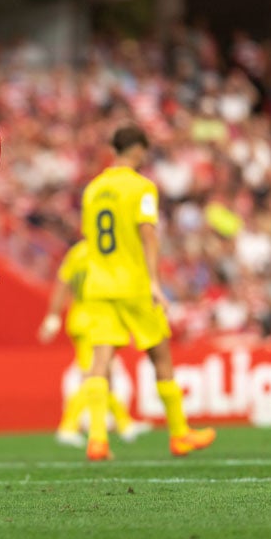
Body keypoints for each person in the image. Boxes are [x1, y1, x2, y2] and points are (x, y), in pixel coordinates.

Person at [80, 125, 216, 461]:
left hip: (99, 284)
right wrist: (155, 281)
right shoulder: (142, 187)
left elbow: (88, 237)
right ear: (139, 150)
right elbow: (148, 234)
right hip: (134, 284)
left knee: (101, 360)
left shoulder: (93, 190)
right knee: (161, 356)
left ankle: (97, 439)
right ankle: (179, 433)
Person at [37, 240, 151, 448]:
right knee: (93, 375)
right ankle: (68, 427)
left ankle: (124, 423)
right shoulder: (106, 251)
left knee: (102, 372)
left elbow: (62, 284)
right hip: (96, 320)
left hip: (81, 318)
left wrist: (53, 317)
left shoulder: (76, 253)